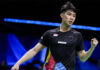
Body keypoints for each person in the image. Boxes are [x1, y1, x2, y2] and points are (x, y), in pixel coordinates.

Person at [11, 1, 99, 70]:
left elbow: (83, 58)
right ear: (62, 15)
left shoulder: (77, 35)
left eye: (74, 16)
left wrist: (92, 48)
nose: (72, 18)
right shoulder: (50, 33)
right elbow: (34, 51)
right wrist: (18, 63)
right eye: (69, 14)